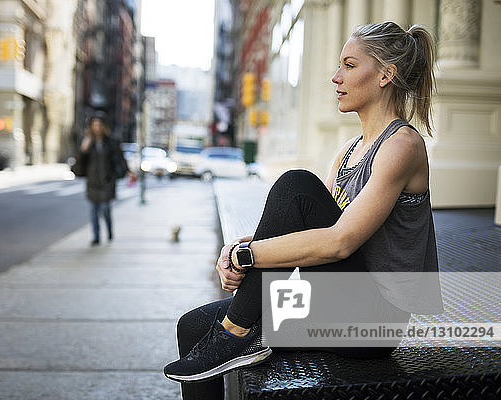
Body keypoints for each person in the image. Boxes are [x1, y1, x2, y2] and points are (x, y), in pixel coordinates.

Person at [164, 21, 443, 399]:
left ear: (385, 75)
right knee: (192, 326)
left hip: (373, 320)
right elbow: (305, 232)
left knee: (295, 185)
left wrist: (252, 256)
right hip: (334, 301)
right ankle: (235, 332)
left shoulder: (402, 145)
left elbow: (339, 243)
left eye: (348, 65)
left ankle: (236, 332)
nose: (335, 77)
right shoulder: (348, 151)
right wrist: (238, 250)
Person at [80, 112, 135, 245]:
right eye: (94, 125)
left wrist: (128, 171)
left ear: (104, 126)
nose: (97, 128)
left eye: (99, 125)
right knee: (93, 210)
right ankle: (96, 236)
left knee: (105, 208)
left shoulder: (112, 142)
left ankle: (109, 230)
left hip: (107, 180)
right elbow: (80, 163)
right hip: (93, 181)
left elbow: (120, 159)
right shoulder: (88, 142)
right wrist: (83, 149)